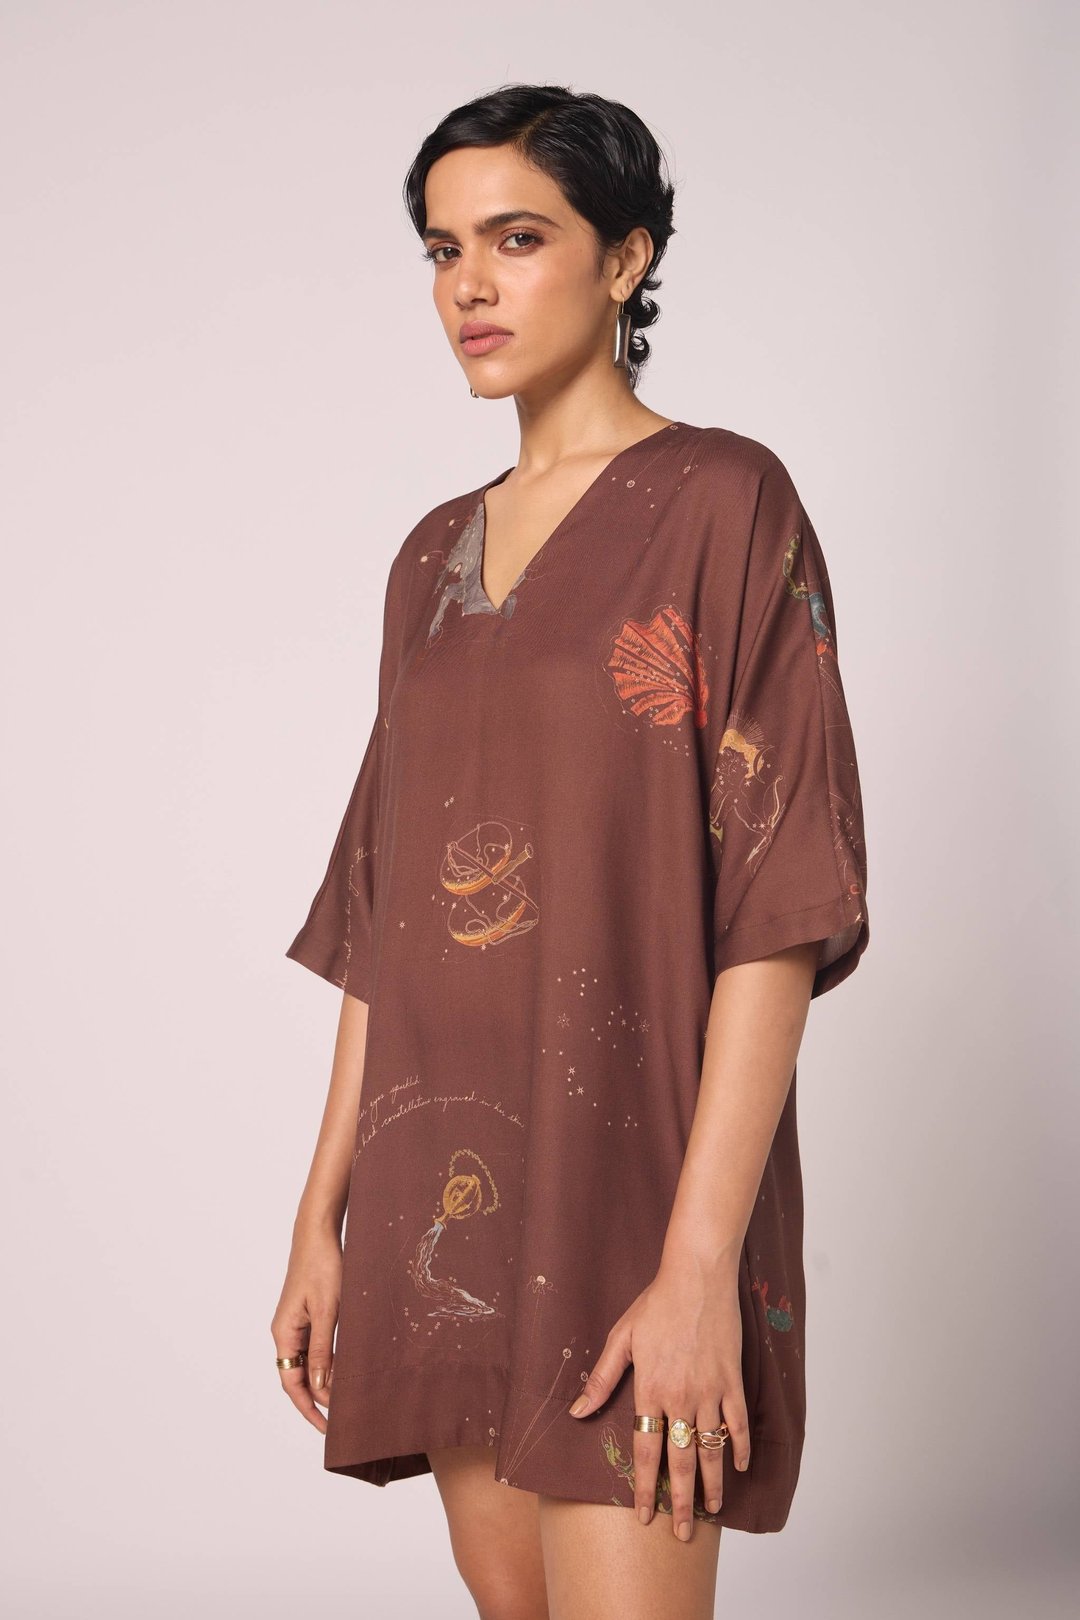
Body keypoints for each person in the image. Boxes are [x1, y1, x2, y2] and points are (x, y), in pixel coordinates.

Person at [271, 83, 870, 1620]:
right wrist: (322, 1213)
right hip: (442, 1190)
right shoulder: (430, 556)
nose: (468, 285)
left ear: (626, 258)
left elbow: (779, 904)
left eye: (517, 238)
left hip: (635, 1190)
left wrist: (698, 1268)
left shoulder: (725, 501)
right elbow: (385, 911)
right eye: (443, 248)